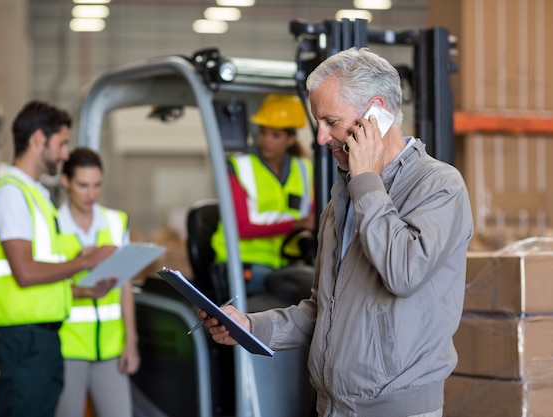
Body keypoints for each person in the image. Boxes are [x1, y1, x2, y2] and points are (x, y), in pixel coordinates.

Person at [202, 47, 474, 417]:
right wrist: (252, 326)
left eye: (330, 121)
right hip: (333, 406)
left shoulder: (438, 186)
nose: (320, 138)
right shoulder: (344, 198)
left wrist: (366, 179)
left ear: (375, 113)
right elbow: (325, 310)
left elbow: (403, 272)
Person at [0, 100, 117, 417]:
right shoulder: (12, 194)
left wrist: (83, 288)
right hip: (24, 337)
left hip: (41, 335)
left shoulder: (35, 195)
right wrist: (87, 261)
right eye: (62, 143)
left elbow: (48, 268)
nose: (66, 154)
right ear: (38, 139)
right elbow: (25, 272)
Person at [55, 147, 140, 417]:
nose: (91, 193)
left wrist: (131, 341)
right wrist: (80, 288)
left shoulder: (116, 222)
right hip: (66, 349)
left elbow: (125, 285)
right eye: (82, 185)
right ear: (65, 182)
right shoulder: (51, 226)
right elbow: (45, 287)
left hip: (111, 350)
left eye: (97, 185)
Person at [210, 94, 315, 296]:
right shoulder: (240, 167)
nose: (266, 140)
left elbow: (311, 216)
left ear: (291, 139)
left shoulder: (304, 168)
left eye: (275, 135)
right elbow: (242, 228)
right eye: (263, 133)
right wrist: (296, 225)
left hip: (286, 260)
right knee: (299, 290)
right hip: (241, 263)